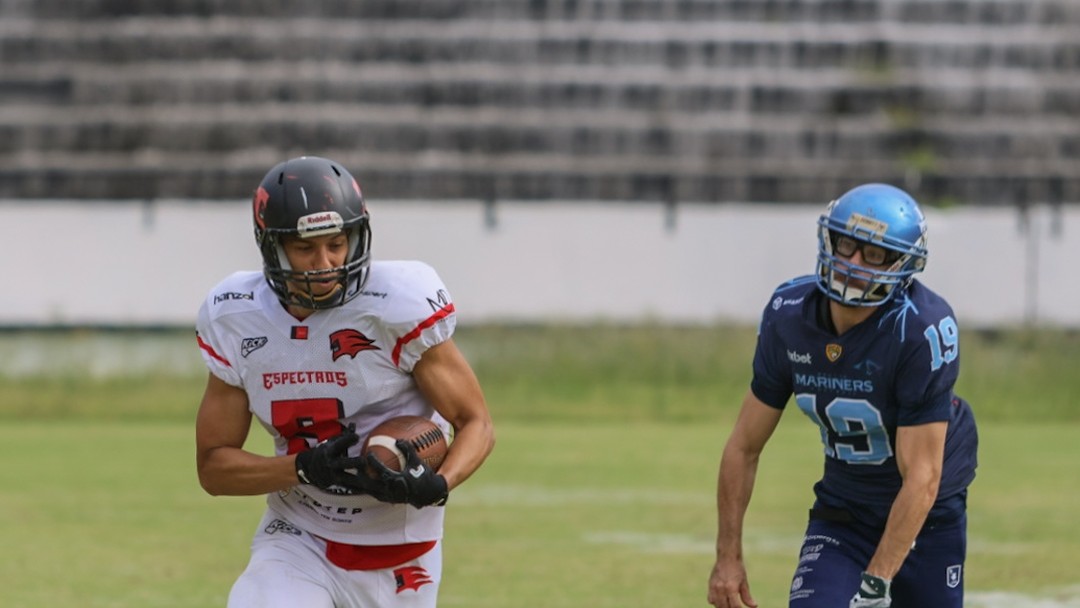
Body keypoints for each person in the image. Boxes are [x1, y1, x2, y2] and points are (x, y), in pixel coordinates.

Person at [195, 155, 495, 607]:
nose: (326, 263)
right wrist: (300, 468)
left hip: (399, 548)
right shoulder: (237, 315)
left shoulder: (395, 305)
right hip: (299, 534)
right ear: (271, 247)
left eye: (337, 244)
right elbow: (214, 467)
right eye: (305, 249)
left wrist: (439, 483)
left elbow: (477, 424)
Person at [706, 183, 978, 608]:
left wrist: (875, 585)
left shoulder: (920, 328)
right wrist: (727, 558)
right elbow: (743, 446)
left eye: (873, 254)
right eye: (847, 244)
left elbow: (923, 477)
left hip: (929, 515)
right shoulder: (788, 313)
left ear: (903, 264)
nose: (852, 263)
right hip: (845, 508)